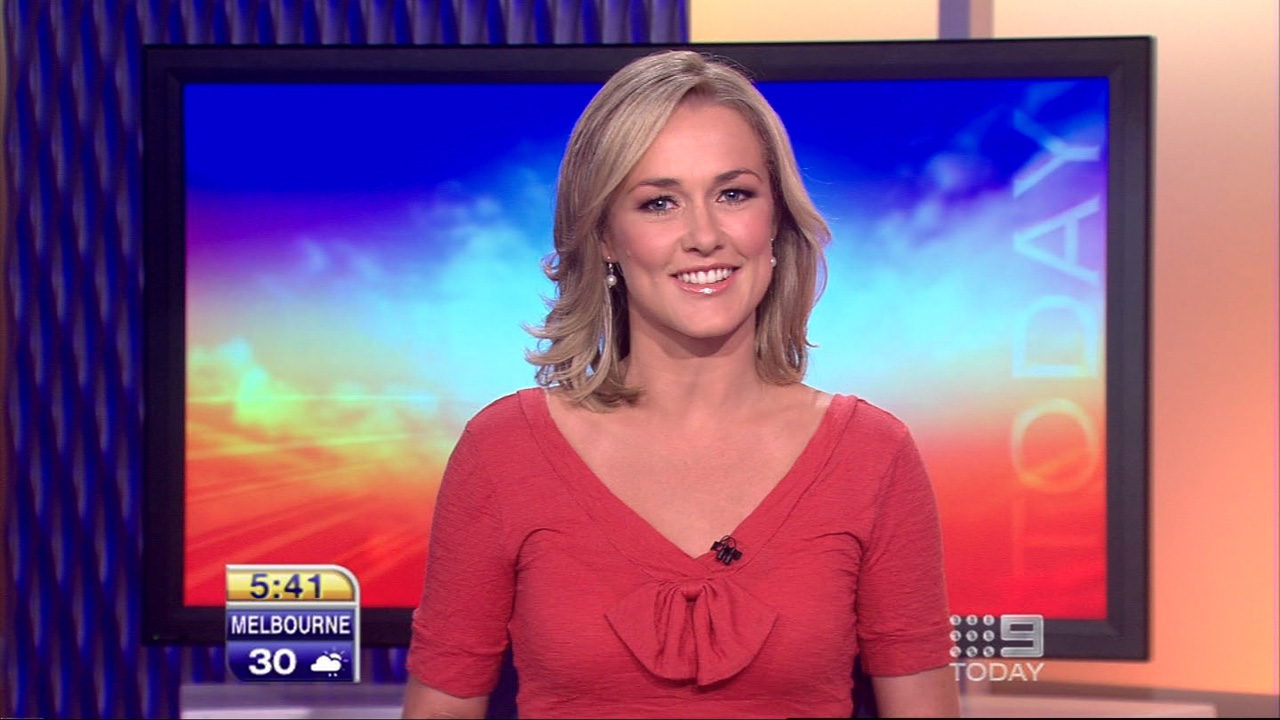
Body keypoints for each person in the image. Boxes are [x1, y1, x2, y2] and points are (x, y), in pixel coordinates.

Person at [402, 49, 959, 719]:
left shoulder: (872, 455)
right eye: (659, 203)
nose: (704, 235)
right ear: (606, 237)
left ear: (775, 221)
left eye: (734, 195)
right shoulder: (503, 452)